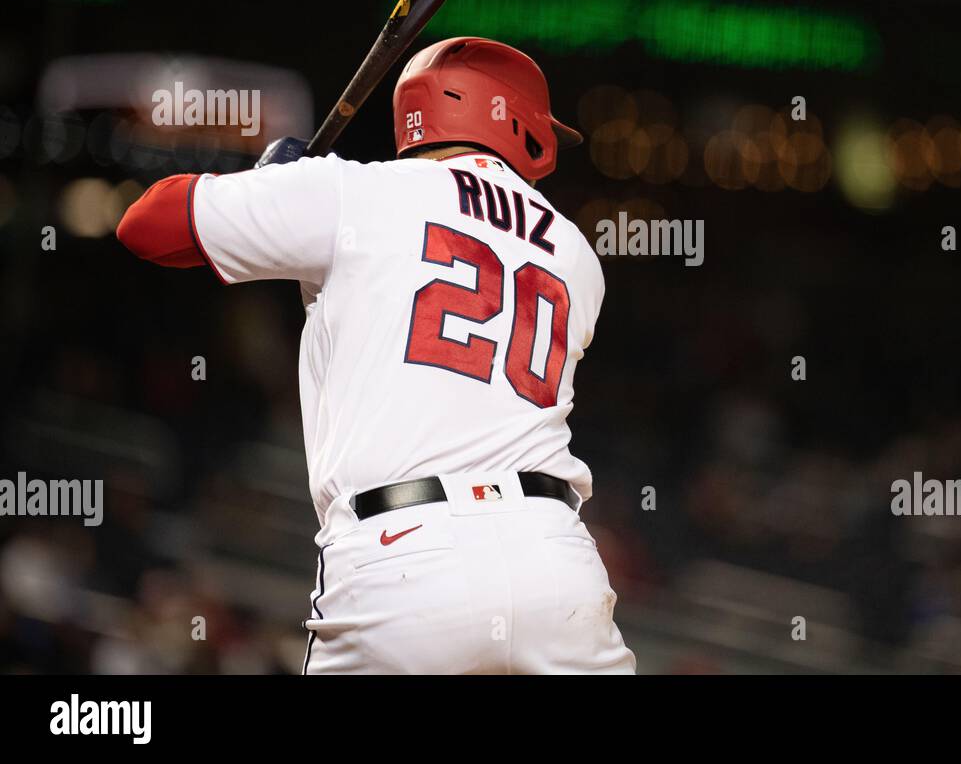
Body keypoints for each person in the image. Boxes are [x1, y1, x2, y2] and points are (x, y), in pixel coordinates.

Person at [116, 37, 635, 674]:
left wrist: (269, 187)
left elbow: (144, 224)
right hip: (555, 562)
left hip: (403, 555)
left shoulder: (353, 192)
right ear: (517, 122)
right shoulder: (577, 253)